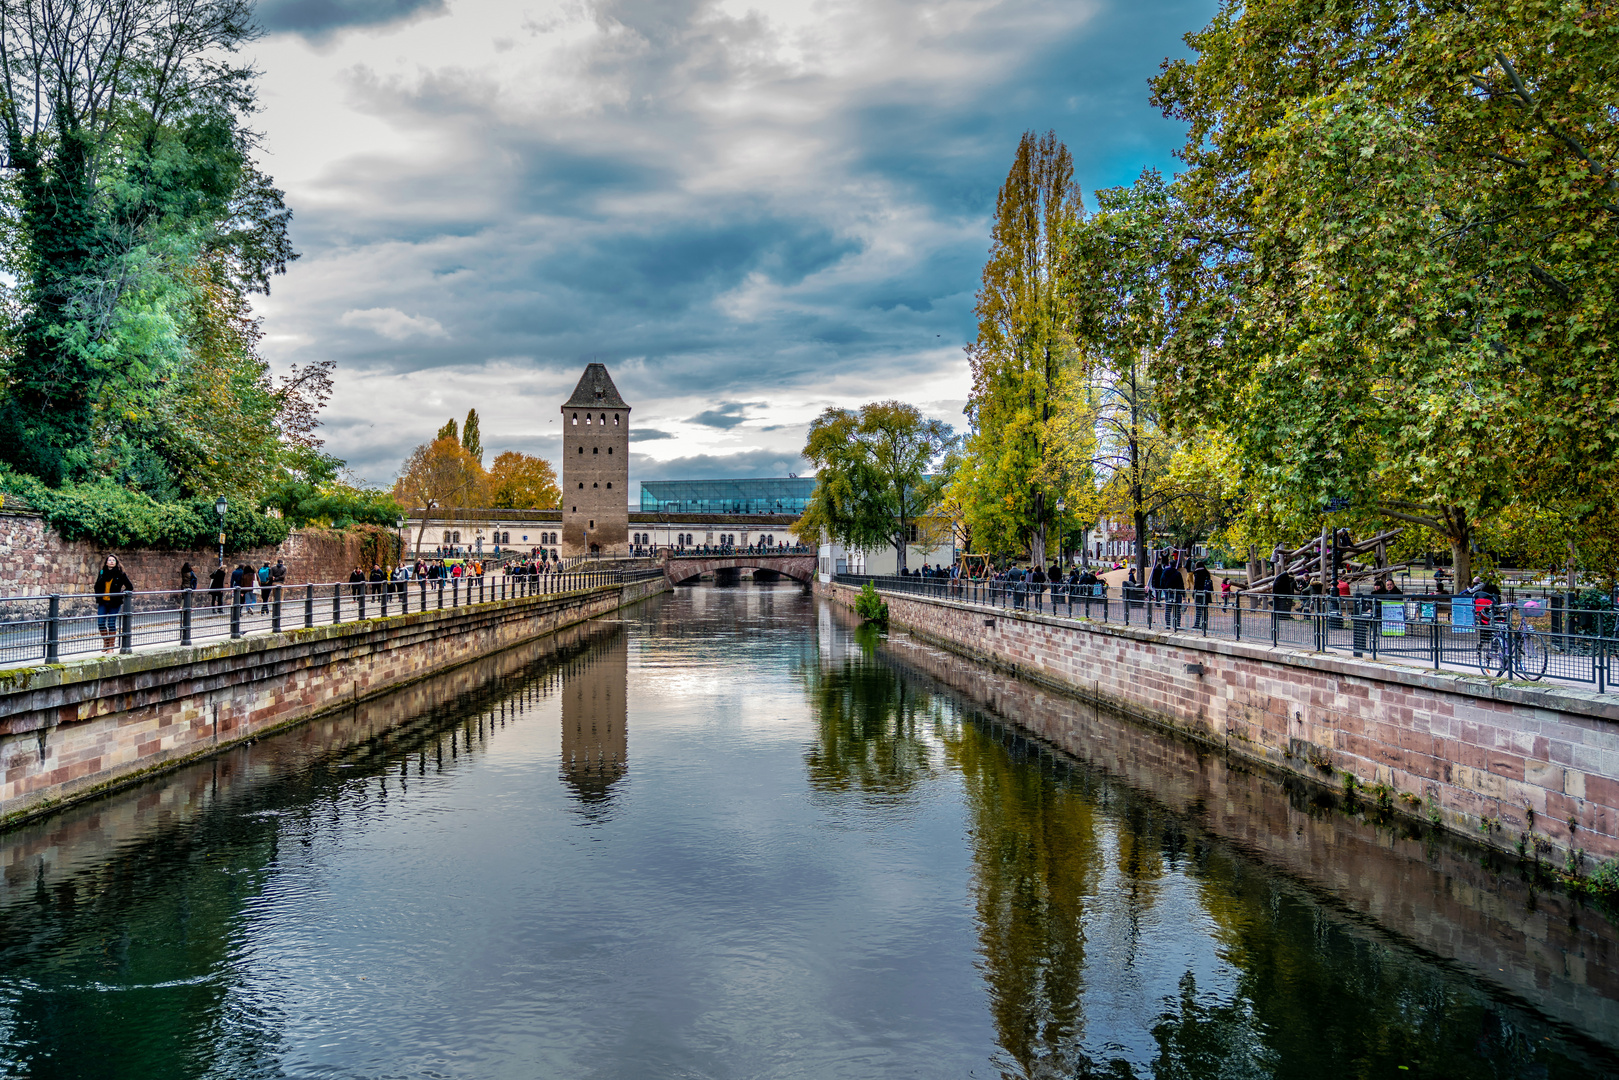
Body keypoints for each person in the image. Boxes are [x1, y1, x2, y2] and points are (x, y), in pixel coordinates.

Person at [93, 555, 133, 652]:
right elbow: (96, 586)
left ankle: (111, 646)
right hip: (103, 602)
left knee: (111, 623)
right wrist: (98, 595)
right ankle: (106, 643)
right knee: (101, 623)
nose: (111, 562)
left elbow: (129, 587)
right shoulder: (102, 573)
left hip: (114, 602)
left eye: (113, 560)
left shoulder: (120, 574)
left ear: (116, 562)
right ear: (106, 562)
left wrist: (121, 594)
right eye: (109, 560)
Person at [1192, 560, 1214, 630]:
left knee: (1198, 609)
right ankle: (1205, 624)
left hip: (1199, 593)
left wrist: (1194, 592)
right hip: (1206, 593)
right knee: (1205, 609)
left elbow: (1196, 584)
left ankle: (1197, 623)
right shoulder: (1207, 573)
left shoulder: (1197, 573)